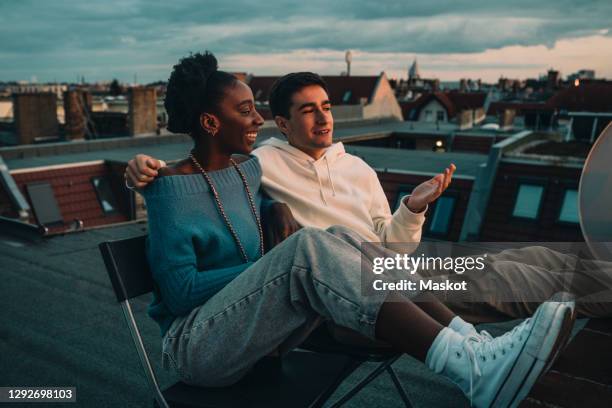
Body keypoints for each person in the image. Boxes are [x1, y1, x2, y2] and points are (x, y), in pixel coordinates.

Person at [142, 51, 575, 407]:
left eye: (256, 108)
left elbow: (251, 199)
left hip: (257, 333)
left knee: (339, 236)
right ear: (211, 123)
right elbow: (179, 291)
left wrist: (275, 210)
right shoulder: (167, 190)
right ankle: (472, 368)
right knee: (310, 247)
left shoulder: (247, 173)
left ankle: (473, 347)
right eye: (246, 111)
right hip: (196, 348)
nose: (259, 119)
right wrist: (142, 171)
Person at [127, 72, 612, 322]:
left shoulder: (356, 167)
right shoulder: (260, 164)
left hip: (396, 267)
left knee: (537, 256)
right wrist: (141, 171)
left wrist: (412, 208)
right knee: (510, 280)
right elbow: (199, 171)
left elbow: (395, 245)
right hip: (356, 284)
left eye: (326, 107)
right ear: (282, 123)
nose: (323, 119)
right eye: (307, 112)